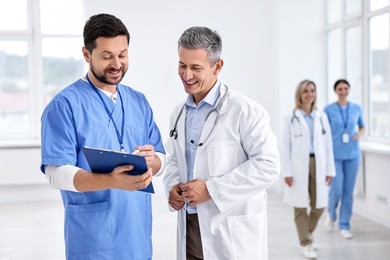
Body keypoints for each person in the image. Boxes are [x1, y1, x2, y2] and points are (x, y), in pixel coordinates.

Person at [40, 13, 165, 260]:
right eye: (107, 56)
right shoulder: (64, 105)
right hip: (92, 237)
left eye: (123, 54)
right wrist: (111, 181)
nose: (117, 64)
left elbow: (161, 158)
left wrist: (154, 160)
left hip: (136, 235)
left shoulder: (138, 101)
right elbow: (55, 173)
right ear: (87, 55)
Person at [163, 26, 280, 260]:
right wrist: (172, 185)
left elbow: (268, 166)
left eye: (196, 67)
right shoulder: (179, 113)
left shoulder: (245, 111)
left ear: (218, 66)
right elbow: (174, 159)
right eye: (182, 65)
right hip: (190, 223)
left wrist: (211, 190)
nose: (187, 76)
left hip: (230, 230)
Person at [281, 79, 335, 259]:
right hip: (298, 166)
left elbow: (328, 146)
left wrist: (330, 170)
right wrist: (287, 171)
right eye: (306, 91)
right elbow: (285, 146)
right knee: (300, 206)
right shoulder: (290, 117)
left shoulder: (321, 116)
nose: (309, 94)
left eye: (312, 90)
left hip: (319, 164)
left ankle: (307, 232)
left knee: (320, 205)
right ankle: (306, 242)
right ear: (299, 94)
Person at [324, 79, 365, 239]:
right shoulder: (328, 110)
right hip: (335, 155)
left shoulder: (356, 108)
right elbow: (323, 132)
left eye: (345, 88)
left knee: (348, 192)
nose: (343, 91)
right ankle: (331, 214)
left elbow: (362, 126)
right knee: (336, 190)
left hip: (353, 154)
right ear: (335, 91)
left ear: (349, 90)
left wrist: (359, 135)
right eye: (340, 89)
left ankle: (344, 226)